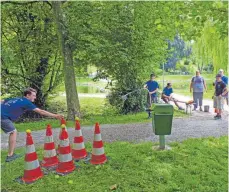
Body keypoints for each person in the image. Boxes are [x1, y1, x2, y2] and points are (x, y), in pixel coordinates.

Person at [1, 88, 64, 162]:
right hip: (2, 117)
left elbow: (2, 101)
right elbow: (41, 111)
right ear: (28, 95)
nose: (35, 97)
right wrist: (55, 116)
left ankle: (10, 155)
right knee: (13, 132)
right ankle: (10, 156)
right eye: (33, 95)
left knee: (13, 132)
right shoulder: (26, 102)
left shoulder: (16, 99)